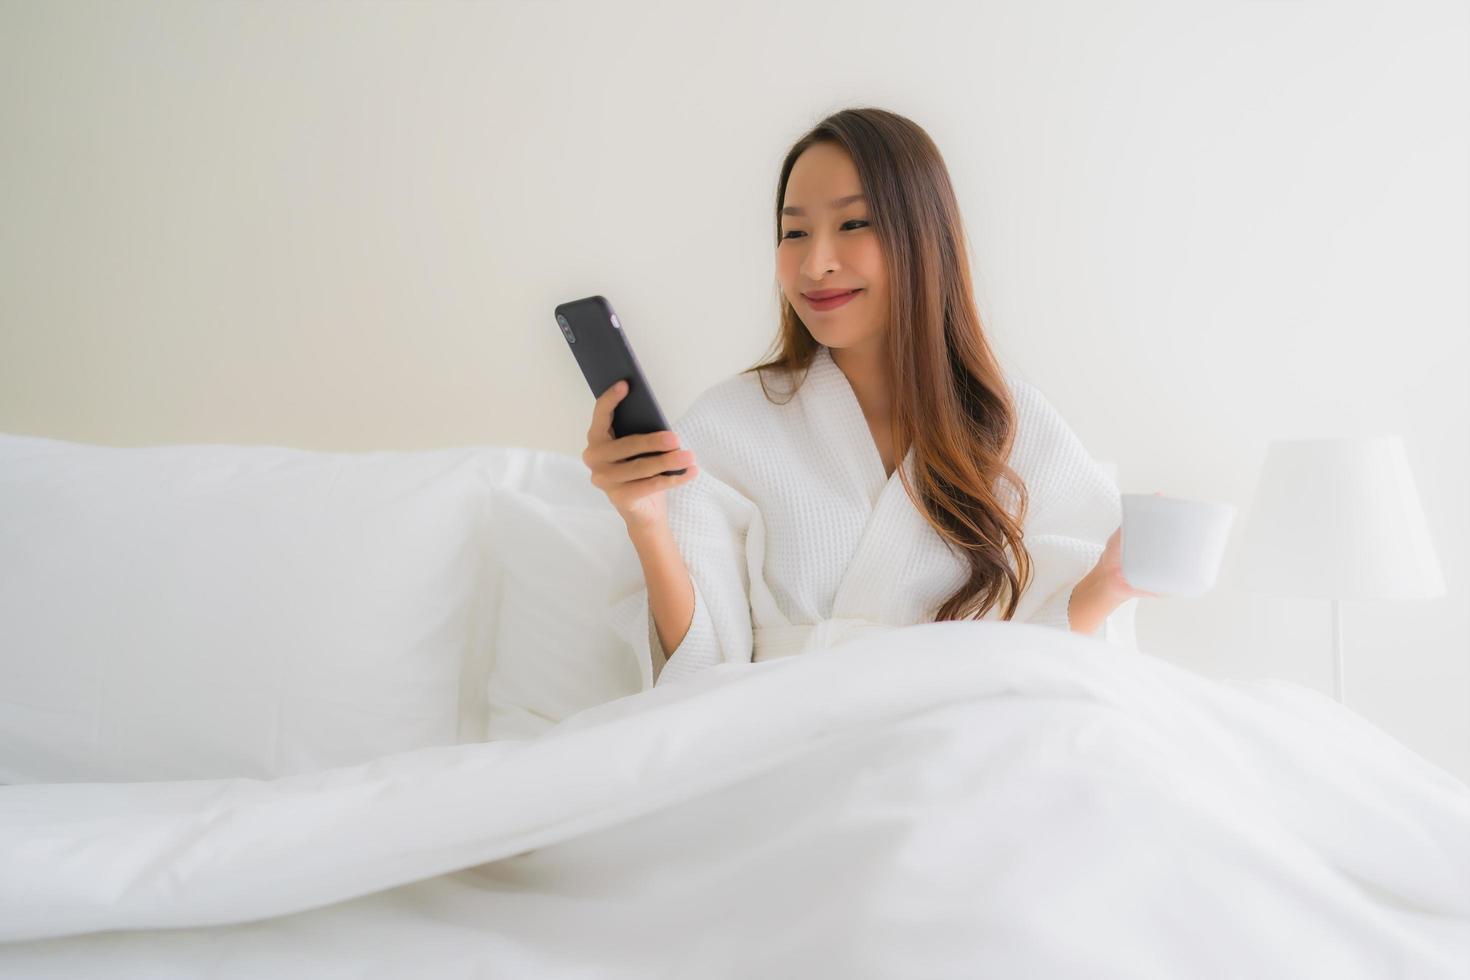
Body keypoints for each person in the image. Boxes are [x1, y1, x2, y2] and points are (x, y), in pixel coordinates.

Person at [582, 106, 1156, 688]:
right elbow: (699, 674)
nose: (815, 263)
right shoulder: (725, 427)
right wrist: (647, 521)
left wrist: (1110, 583)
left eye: (854, 225)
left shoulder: (1016, 424)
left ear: (924, 238)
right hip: (780, 737)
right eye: (795, 232)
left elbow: (1049, 673)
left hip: (962, 735)